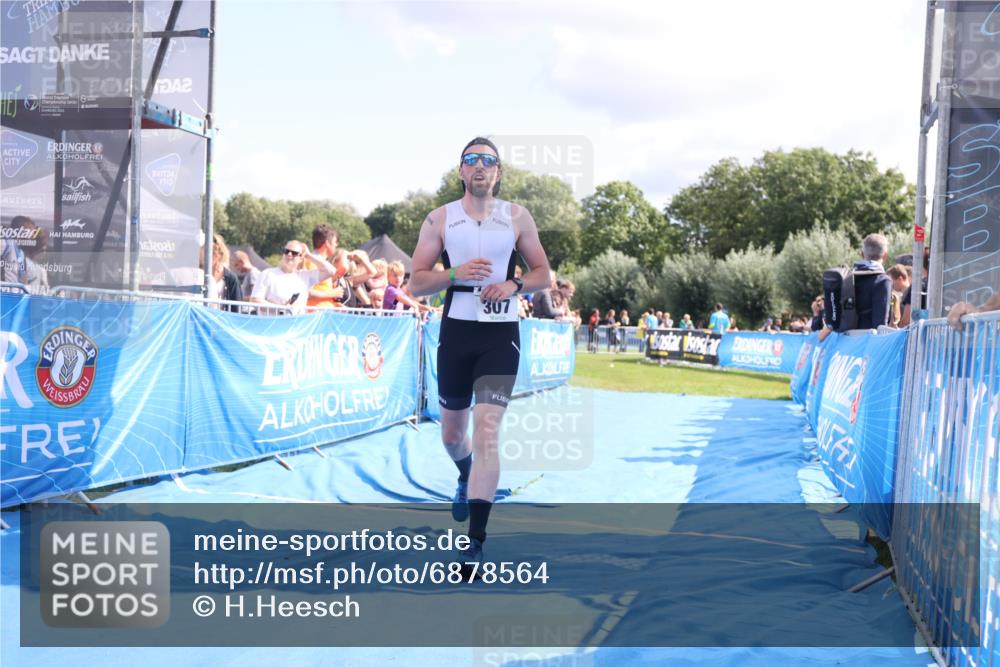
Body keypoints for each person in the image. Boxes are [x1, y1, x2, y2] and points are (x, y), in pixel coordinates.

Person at [408, 137, 551, 572]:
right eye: (472, 160)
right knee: (453, 435)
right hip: (456, 334)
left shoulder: (517, 217)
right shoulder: (439, 218)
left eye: (489, 161)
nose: (480, 167)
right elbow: (415, 283)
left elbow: (544, 273)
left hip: (499, 336)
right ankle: (464, 472)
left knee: (487, 431)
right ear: (461, 171)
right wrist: (452, 274)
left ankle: (475, 541)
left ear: (499, 172)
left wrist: (514, 285)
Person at [819, 233, 893, 341]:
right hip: (865, 344)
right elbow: (880, 324)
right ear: (885, 255)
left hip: (844, 341)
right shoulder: (882, 281)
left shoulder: (848, 277)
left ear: (862, 254)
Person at [250, 240, 337, 314]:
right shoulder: (267, 274)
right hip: (272, 328)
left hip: (297, 329)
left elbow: (331, 271)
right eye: (286, 251)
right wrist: (281, 309)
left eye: (294, 253)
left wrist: (308, 255)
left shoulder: (305, 276)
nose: (289, 255)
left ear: (301, 258)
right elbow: (255, 300)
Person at [207, 234, 242, 309]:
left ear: (219, 254)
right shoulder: (199, 275)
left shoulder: (231, 278)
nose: (205, 256)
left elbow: (237, 307)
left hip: (222, 319)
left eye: (211, 253)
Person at [886, 264, 910, 328]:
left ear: (900, 279)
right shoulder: (902, 296)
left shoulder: (911, 294)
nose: (889, 285)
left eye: (891, 281)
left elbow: (905, 321)